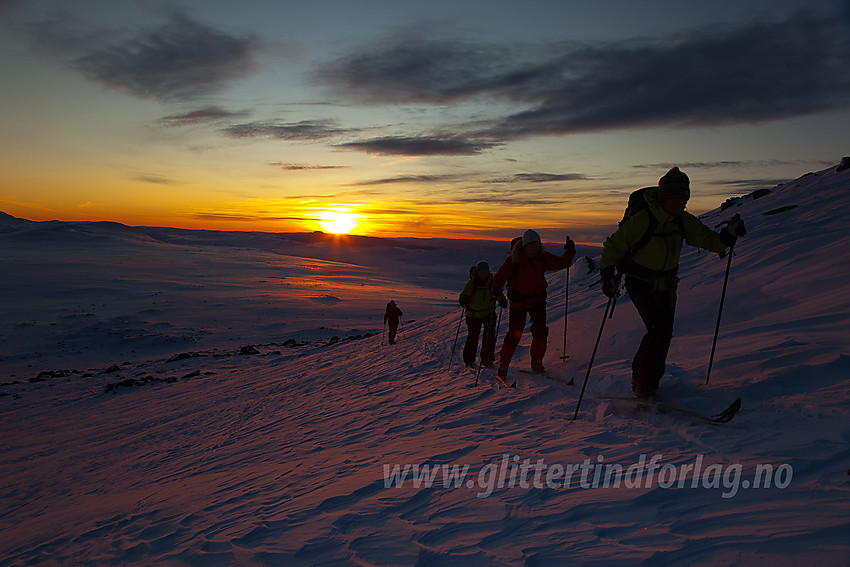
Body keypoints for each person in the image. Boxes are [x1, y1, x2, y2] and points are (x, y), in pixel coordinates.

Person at [600, 167, 746, 399]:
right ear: (664, 199)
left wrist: (728, 235)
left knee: (664, 332)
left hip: (668, 283)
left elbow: (709, 240)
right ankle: (643, 383)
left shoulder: (683, 221)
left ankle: (647, 382)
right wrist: (607, 275)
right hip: (640, 281)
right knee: (658, 329)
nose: (680, 208)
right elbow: (614, 245)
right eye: (676, 203)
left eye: (683, 203)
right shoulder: (643, 220)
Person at [492, 229, 576, 378]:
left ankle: (537, 361)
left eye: (536, 246)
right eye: (531, 246)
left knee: (540, 331)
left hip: (537, 301)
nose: (533, 249)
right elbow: (499, 276)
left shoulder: (542, 258)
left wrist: (569, 252)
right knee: (514, 334)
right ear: (524, 246)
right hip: (519, 302)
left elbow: (562, 263)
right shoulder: (514, 260)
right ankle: (504, 364)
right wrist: (495, 289)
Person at [459, 261, 507, 368]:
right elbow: (462, 296)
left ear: (488, 272)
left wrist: (502, 300)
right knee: (473, 337)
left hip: (487, 313)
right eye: (482, 272)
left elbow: (498, 293)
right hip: (474, 314)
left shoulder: (492, 282)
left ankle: (487, 360)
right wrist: (464, 300)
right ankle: (469, 361)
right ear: (478, 272)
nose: (484, 274)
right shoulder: (472, 283)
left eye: (486, 272)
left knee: (489, 337)